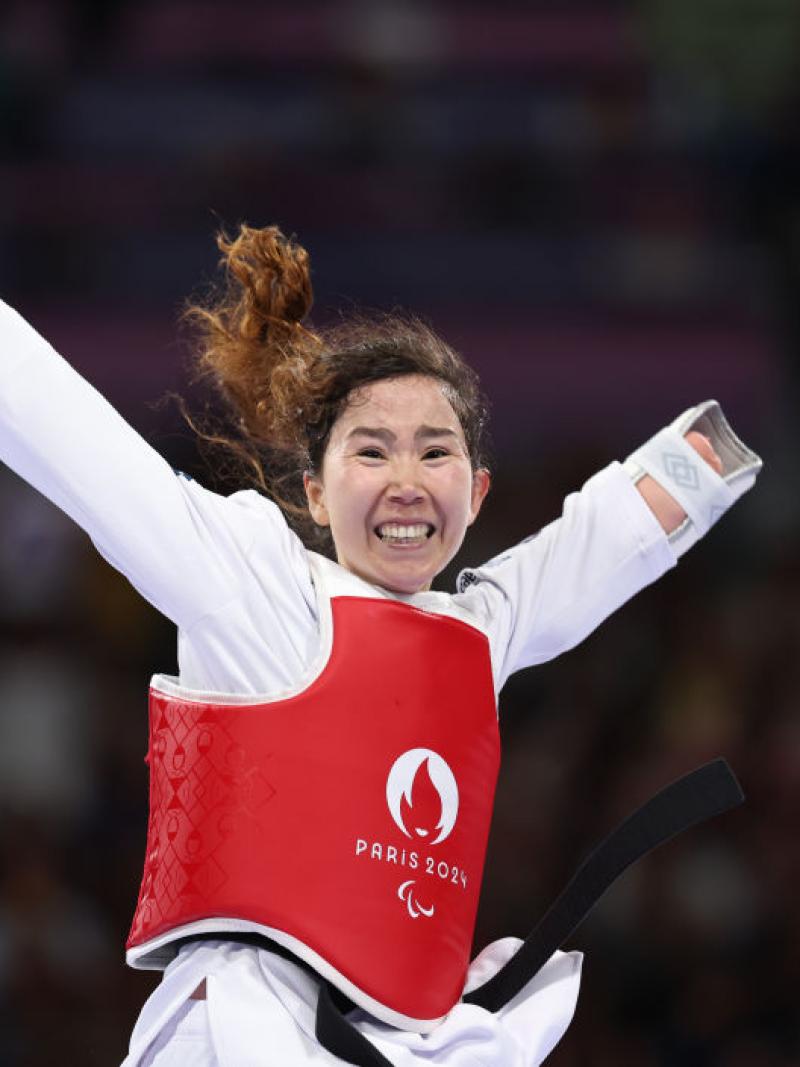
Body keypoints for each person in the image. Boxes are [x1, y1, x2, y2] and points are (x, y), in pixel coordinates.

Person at [0, 224, 761, 1066]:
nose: (406, 480)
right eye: (372, 451)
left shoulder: (477, 632)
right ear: (316, 493)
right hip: (243, 1031)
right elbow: (68, 437)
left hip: (410, 1042)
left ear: (474, 493)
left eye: (435, 451)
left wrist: (709, 458)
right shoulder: (254, 583)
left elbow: (600, 541)